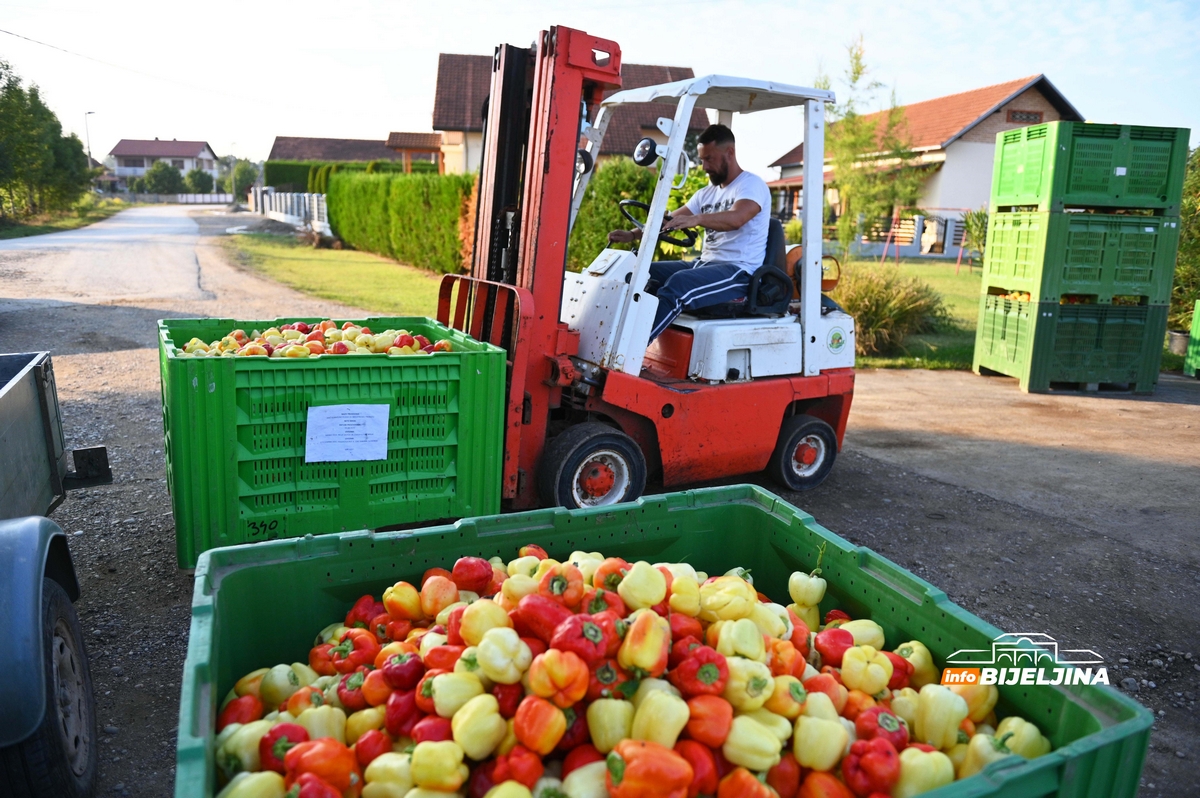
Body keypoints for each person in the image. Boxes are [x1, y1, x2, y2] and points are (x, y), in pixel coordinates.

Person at [608, 123, 772, 341]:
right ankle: (608, 339)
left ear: (729, 153)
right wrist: (632, 234)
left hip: (740, 272)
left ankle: (628, 352)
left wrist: (697, 219)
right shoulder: (706, 194)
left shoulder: (751, 185)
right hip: (704, 264)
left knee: (680, 283)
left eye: (709, 159)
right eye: (702, 159)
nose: (703, 166)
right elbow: (668, 221)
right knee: (636, 269)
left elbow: (737, 218)